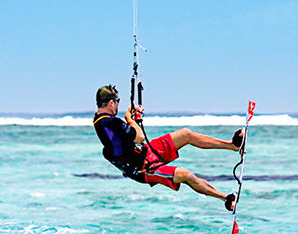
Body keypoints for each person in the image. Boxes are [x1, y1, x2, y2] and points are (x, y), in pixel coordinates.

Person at [91, 84, 244, 211]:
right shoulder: (109, 123)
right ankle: (226, 198)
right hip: (143, 169)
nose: (118, 104)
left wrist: (134, 122)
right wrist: (130, 119)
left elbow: (127, 140)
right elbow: (139, 137)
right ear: (111, 103)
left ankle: (233, 146)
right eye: (117, 101)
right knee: (186, 175)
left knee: (186, 134)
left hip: (145, 151)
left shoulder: (102, 120)